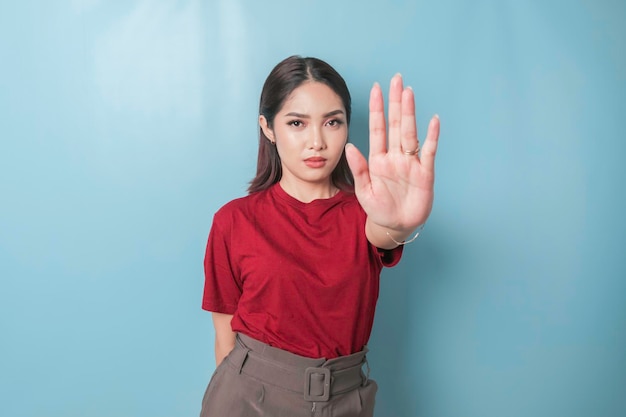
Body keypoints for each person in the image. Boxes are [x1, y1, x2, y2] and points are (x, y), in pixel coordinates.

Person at [200, 55, 440, 417]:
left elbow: (384, 232)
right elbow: (225, 341)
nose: (317, 141)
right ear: (268, 128)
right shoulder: (234, 221)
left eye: (332, 122)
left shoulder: (366, 213)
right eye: (297, 122)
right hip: (248, 398)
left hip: (344, 398)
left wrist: (401, 222)